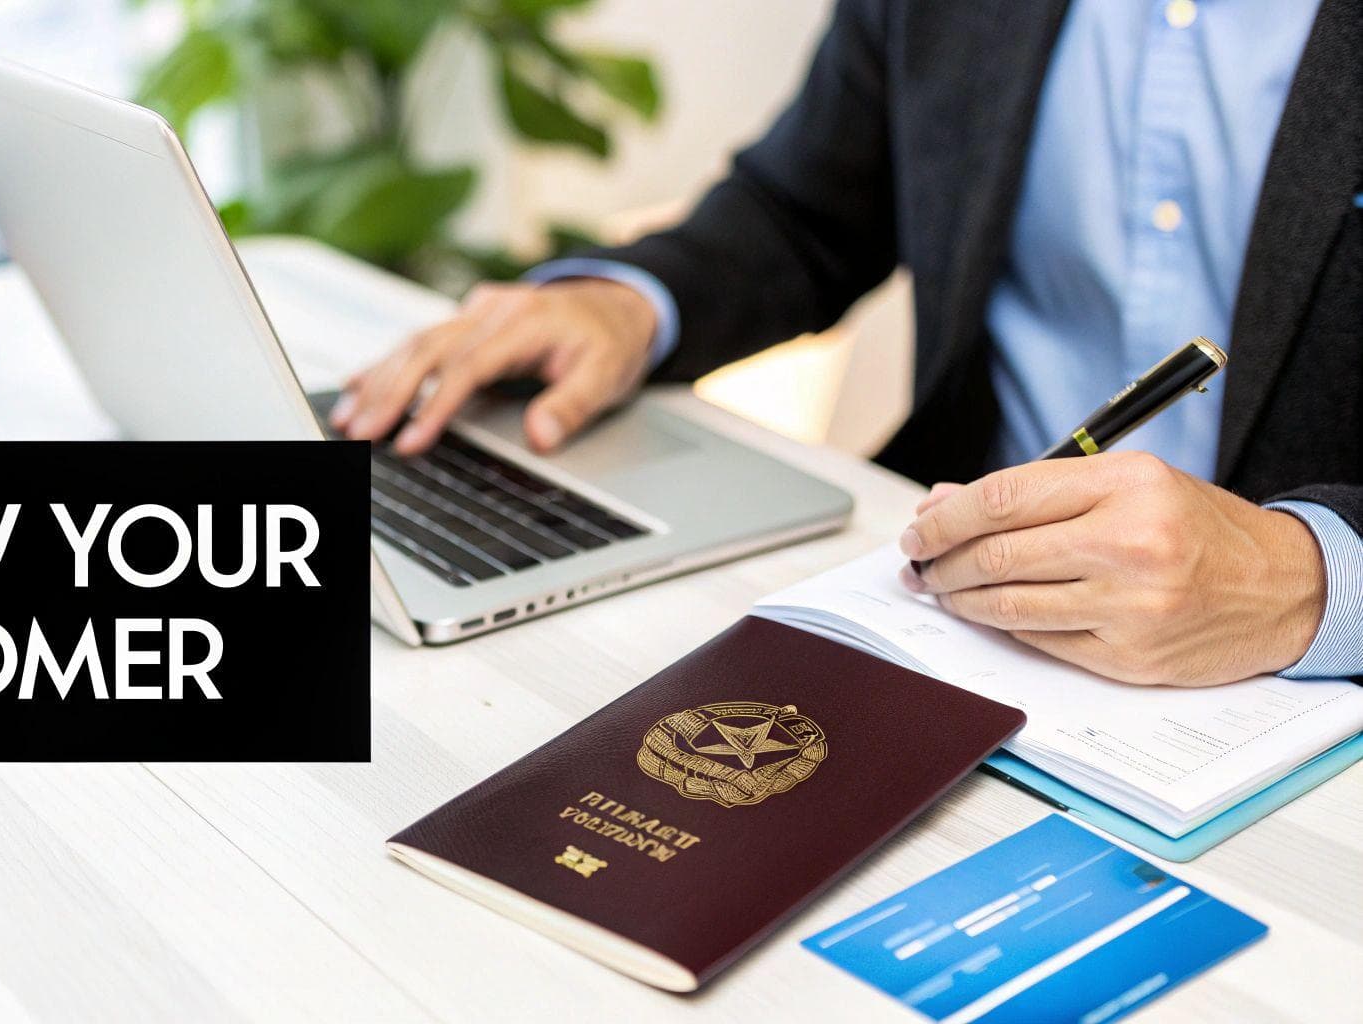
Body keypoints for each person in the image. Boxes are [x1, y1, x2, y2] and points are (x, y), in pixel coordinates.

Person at [330, 0, 1362, 686]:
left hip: (1297, 698)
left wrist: (1309, 580)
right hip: (953, 614)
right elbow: (803, 210)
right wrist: (628, 300)